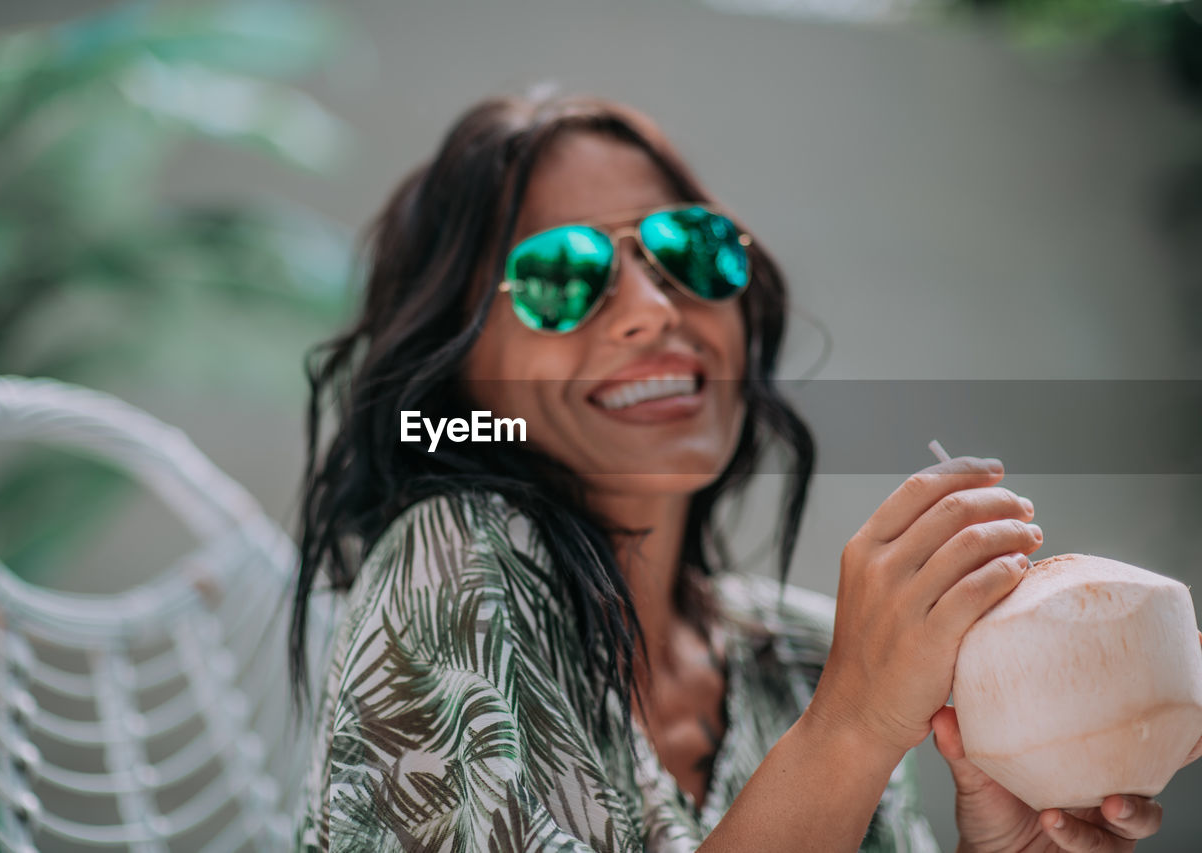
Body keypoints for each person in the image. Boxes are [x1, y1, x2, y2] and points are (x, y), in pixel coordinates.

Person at [287, 90, 1175, 852]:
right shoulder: (450, 559)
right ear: (458, 368)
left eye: (688, 250)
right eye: (561, 274)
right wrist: (853, 725)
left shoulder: (798, 657)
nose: (650, 310)